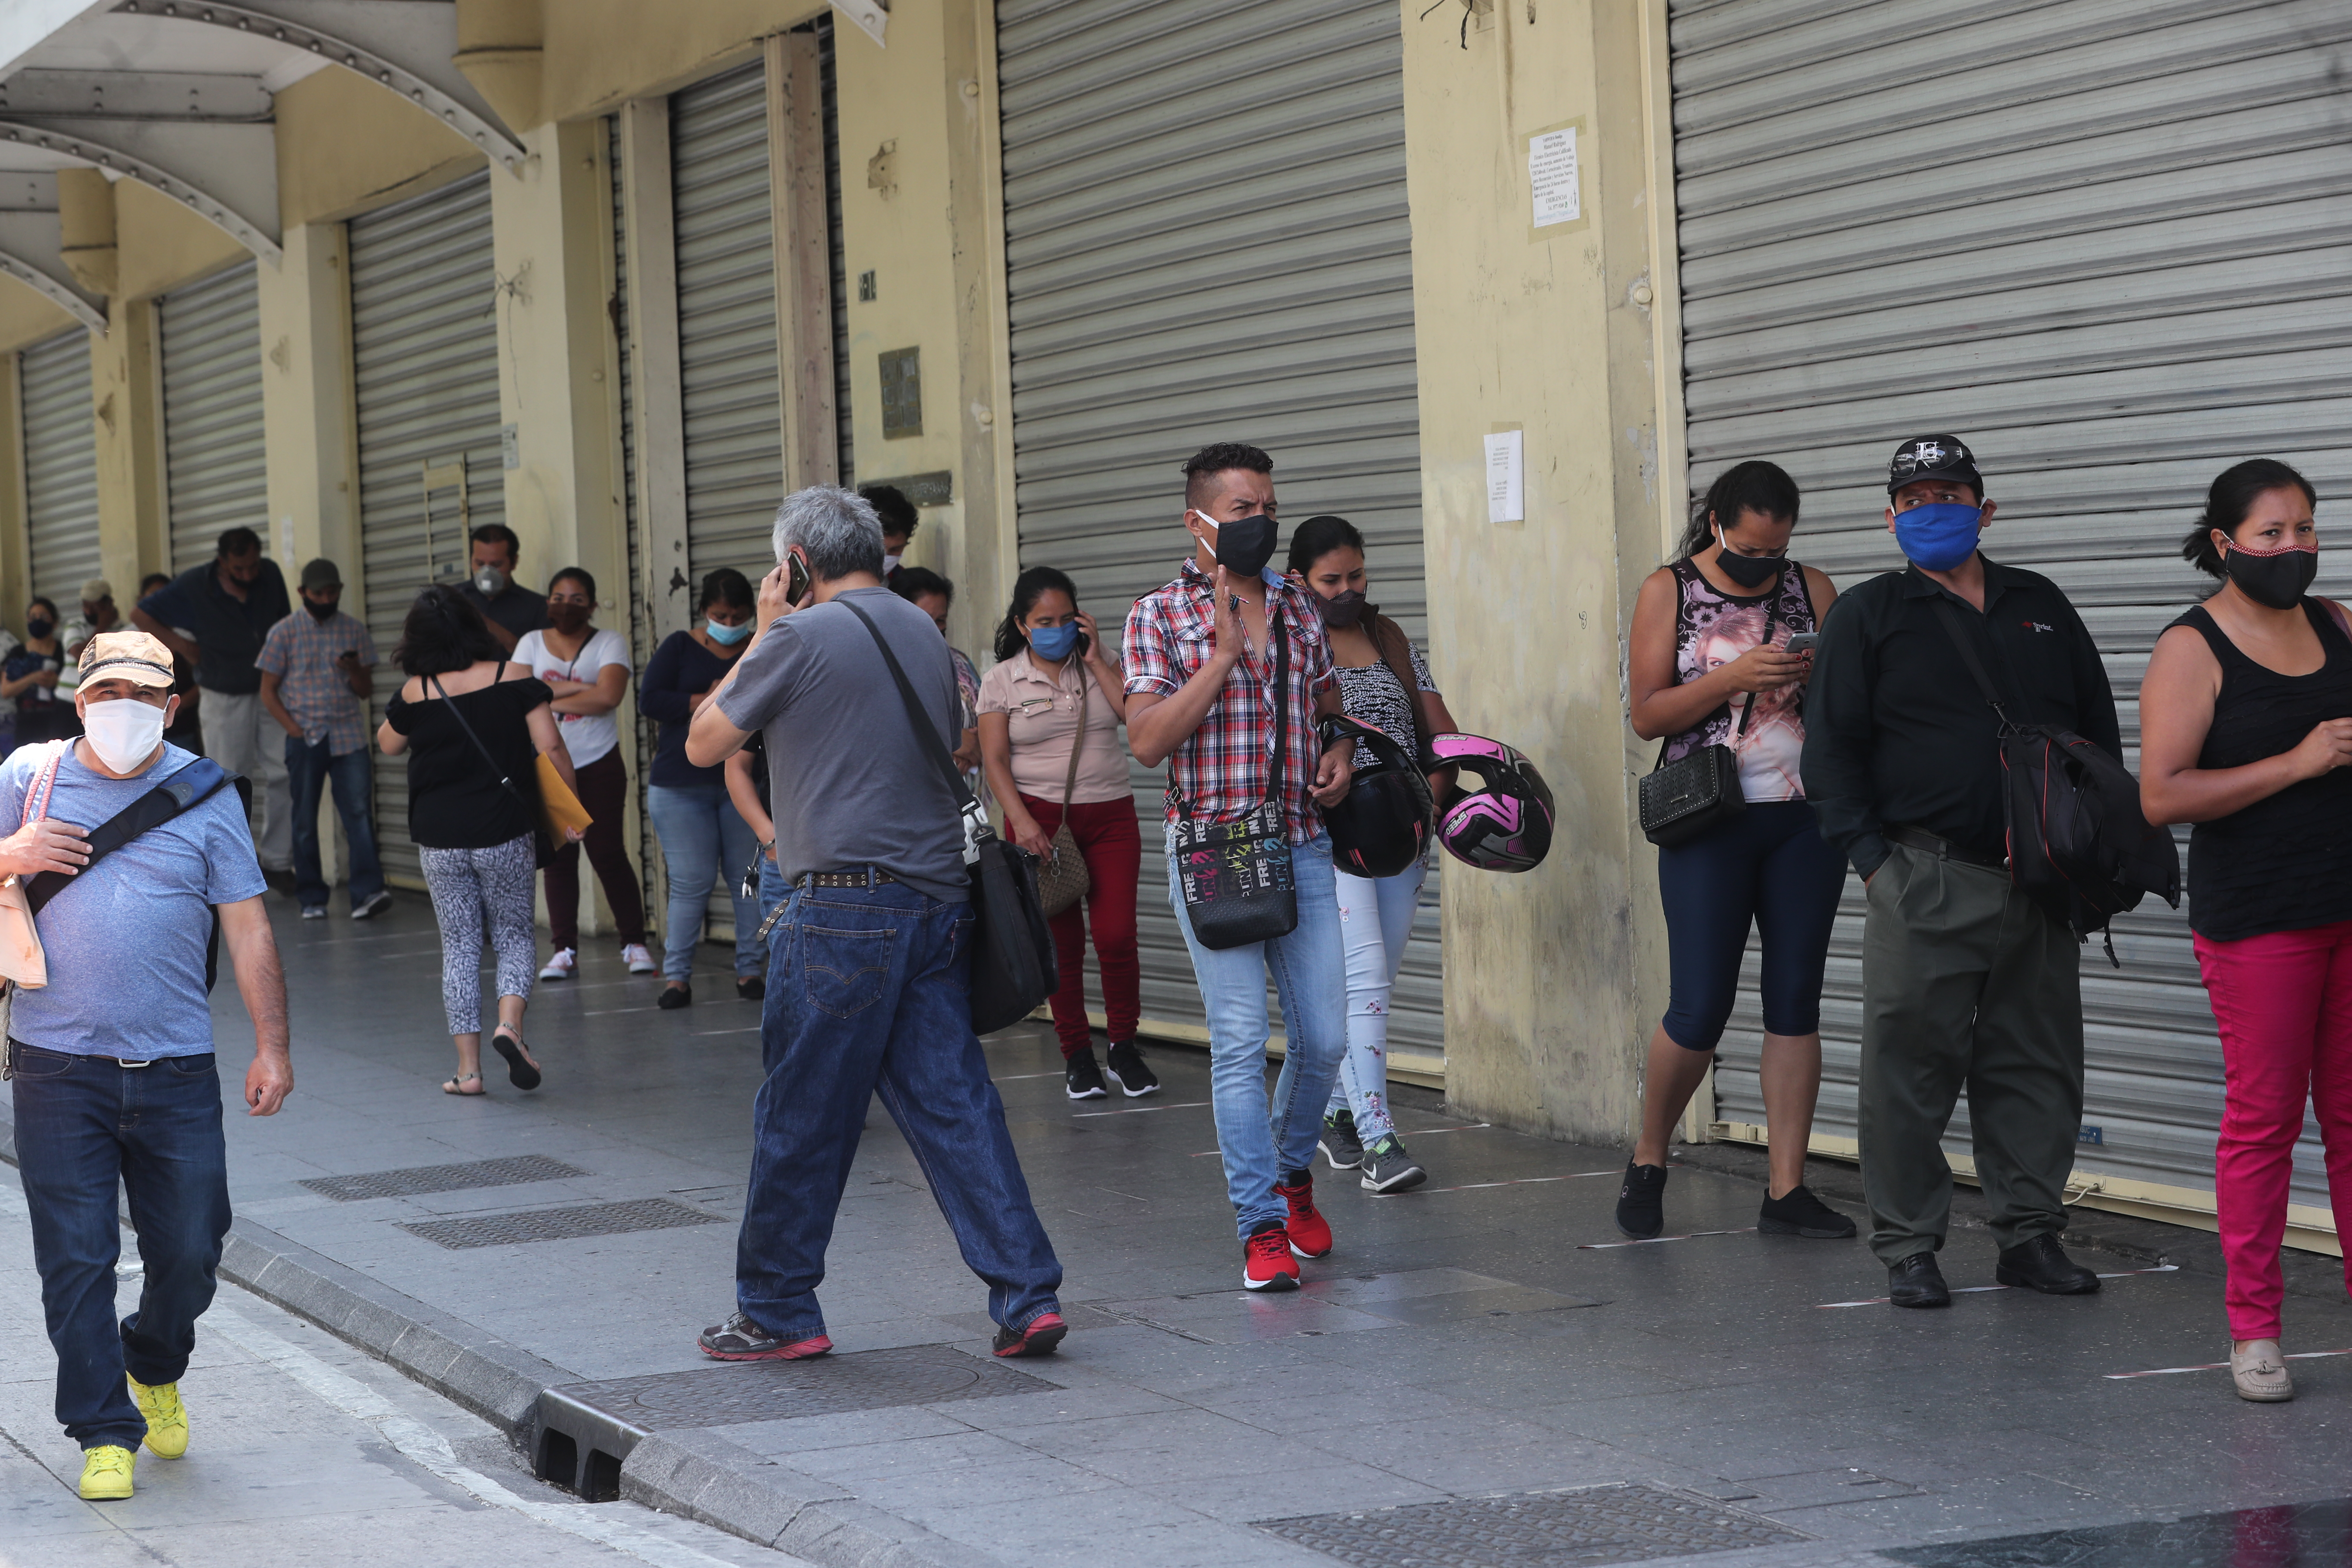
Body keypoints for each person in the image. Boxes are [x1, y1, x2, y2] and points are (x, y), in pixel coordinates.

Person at [684, 484, 1067, 1362]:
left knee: (801, 1115)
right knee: (955, 1106)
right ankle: (1028, 1294)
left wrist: (768, 630)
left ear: (796, 564)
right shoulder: (921, 631)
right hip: (935, 904)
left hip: (842, 909)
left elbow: (705, 741)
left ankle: (778, 1309)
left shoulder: (798, 636)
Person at [1801, 434, 2118, 1309]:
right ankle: (1909, 1245)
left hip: (2041, 883)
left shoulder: (2039, 604)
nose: (1929, 510)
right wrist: (1875, 866)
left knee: (2036, 1064)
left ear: (1985, 508)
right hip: (1924, 875)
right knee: (1907, 1072)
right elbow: (1830, 754)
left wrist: (2088, 845)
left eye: (1947, 494)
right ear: (1890, 517)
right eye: (1913, 499)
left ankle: (2030, 1236)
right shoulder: (1867, 615)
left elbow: (2095, 732)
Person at [6, 628, 291, 1501]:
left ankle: (154, 1360)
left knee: (193, 1249)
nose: (119, 709)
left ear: (171, 708)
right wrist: (11, 855)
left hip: (177, 1068)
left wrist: (273, 1044)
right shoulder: (27, 778)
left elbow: (248, 925)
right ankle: (103, 1430)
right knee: (76, 1257)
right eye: (104, 693)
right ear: (78, 700)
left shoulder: (207, 792)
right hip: (58, 1066)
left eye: (139, 695)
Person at [2140, 458, 2352, 1403]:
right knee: (2265, 1124)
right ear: (2226, 544)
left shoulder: (2338, 622)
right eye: (2272, 533)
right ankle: (2255, 1330)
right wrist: (2297, 763)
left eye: (2305, 527)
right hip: (2262, 921)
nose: (2294, 546)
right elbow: (2161, 795)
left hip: (2347, 908)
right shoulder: (2192, 647)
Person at [1124, 441, 1356, 1292]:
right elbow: (1146, 741)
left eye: (1268, 507)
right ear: (1197, 521)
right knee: (1237, 1042)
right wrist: (1221, 656)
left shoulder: (1296, 602)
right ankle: (1260, 1225)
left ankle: (1292, 1173)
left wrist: (1339, 750)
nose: (1261, 521)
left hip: (1300, 838)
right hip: (1217, 848)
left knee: (1325, 1037)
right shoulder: (1158, 615)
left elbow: (1327, 698)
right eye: (1242, 510)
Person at [1617, 464, 1852, 1240]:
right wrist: (1735, 678)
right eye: (1749, 549)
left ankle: (1787, 1189)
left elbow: (1849, 704)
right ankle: (1650, 1156)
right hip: (1708, 818)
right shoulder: (1670, 590)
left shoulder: (1813, 587)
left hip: (1802, 820)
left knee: (1795, 1001)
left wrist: (1821, 675)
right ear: (1716, 522)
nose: (1764, 563)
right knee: (1699, 1006)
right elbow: (1648, 715)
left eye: (1776, 550)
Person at [1285, 515, 1464, 1196]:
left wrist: (1426, 807)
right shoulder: (1292, 645)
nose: (1347, 590)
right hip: (1329, 839)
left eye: (1356, 575)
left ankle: (1336, 1114)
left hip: (1403, 839)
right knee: (1360, 982)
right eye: (1331, 580)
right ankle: (1379, 1140)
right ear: (1300, 581)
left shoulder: (1388, 637)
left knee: (1375, 983)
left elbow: (1442, 737)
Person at [377, 586, 576, 1097]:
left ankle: (468, 1072)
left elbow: (388, 743)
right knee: (514, 935)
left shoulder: (416, 691)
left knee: (460, 946)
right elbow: (551, 746)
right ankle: (510, 1026)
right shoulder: (514, 676)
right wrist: (571, 809)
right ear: (475, 626)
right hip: (504, 829)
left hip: (439, 836)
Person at [977, 564, 1154, 1101]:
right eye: (1044, 622)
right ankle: (1077, 1054)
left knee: (1118, 937)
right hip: (1039, 822)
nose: (1056, 630)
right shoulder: (1001, 680)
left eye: (1065, 619)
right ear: (1022, 625)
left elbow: (1135, 718)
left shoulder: (1101, 663)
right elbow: (993, 762)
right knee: (1063, 946)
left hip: (1112, 818)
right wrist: (1023, 823)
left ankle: (1124, 1048)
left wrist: (1097, 658)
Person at [132, 527, 294, 878]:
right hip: (223, 693)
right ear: (222, 563)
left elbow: (284, 624)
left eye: (252, 567)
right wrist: (182, 646)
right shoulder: (196, 584)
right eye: (239, 569)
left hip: (269, 688)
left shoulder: (270, 575)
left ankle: (279, 861)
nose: (248, 575)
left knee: (284, 771)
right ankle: (234, 866)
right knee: (230, 780)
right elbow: (141, 615)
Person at [516, 567, 653, 980]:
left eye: (577, 600)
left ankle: (634, 943)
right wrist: (581, 689)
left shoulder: (609, 642)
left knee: (608, 853)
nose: (567, 607)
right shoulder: (530, 642)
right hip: (547, 767)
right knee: (558, 859)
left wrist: (544, 695)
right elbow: (516, 695)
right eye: (559, 598)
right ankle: (564, 951)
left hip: (599, 763)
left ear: (592, 606)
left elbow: (609, 696)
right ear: (548, 603)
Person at [639, 569, 766, 1007]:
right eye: (720, 616)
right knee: (690, 883)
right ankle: (677, 978)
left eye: (738, 616)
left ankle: (751, 972)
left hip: (744, 784)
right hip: (680, 786)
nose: (729, 624)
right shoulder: (679, 646)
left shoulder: (762, 645)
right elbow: (650, 699)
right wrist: (707, 699)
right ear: (703, 611)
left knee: (747, 881)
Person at [256, 559, 391, 922]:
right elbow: (268, 690)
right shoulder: (284, 633)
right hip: (305, 737)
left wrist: (355, 669)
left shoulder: (354, 630)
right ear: (303, 593)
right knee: (304, 819)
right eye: (319, 594)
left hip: (349, 736)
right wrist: (293, 729)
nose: (327, 599)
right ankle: (312, 897)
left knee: (359, 814)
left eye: (333, 593)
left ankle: (367, 893)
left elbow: (365, 691)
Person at [892, 566, 983, 787]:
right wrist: (952, 742)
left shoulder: (960, 662)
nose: (933, 629)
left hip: (971, 794)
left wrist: (977, 746)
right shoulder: (885, 668)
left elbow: (987, 716)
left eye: (941, 620)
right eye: (924, 619)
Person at [459, 523, 548, 654]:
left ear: (514, 562)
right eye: (480, 564)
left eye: (496, 565)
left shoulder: (537, 607)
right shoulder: (452, 598)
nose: (487, 572)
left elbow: (541, 658)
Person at [139, 573, 203, 754]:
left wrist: (178, 705)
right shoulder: (130, 638)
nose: (158, 602)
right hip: (142, 731)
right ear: (141, 600)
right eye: (153, 596)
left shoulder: (186, 637)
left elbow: (204, 681)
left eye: (164, 596)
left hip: (182, 730)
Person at [5, 597, 73, 744]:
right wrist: (33, 678)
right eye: (33, 617)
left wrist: (57, 681)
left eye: (44, 617)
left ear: (55, 622)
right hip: (26, 725)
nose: (38, 621)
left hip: (60, 723)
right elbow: (5, 691)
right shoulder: (18, 653)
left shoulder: (64, 652)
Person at [57, 576, 119, 699]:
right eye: (86, 606)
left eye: (95, 607)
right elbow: (80, 655)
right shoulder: (75, 626)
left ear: (109, 604)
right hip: (68, 699)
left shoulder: (122, 630)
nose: (89, 612)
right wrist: (102, 627)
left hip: (98, 701)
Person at [864, 482, 917, 589]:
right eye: (878, 549)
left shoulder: (906, 585)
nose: (885, 558)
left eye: (895, 550)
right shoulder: (832, 583)